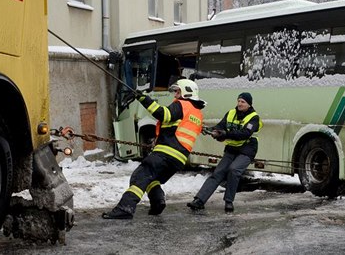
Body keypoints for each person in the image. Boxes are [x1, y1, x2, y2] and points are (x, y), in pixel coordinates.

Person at [102, 79, 206, 219]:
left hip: (166, 152)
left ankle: (125, 208)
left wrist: (143, 98)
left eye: (178, 91)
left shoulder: (182, 105)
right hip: (178, 159)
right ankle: (158, 203)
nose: (175, 95)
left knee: (140, 176)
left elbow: (162, 114)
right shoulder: (197, 114)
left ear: (187, 92)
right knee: (151, 179)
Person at [187, 92, 262, 213]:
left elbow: (244, 134)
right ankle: (199, 200)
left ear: (249, 104)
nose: (239, 103)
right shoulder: (231, 113)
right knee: (218, 173)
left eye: (243, 102)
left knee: (234, 170)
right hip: (232, 149)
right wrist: (211, 130)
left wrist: (225, 134)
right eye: (238, 101)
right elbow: (221, 125)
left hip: (247, 150)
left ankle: (229, 202)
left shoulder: (254, 117)